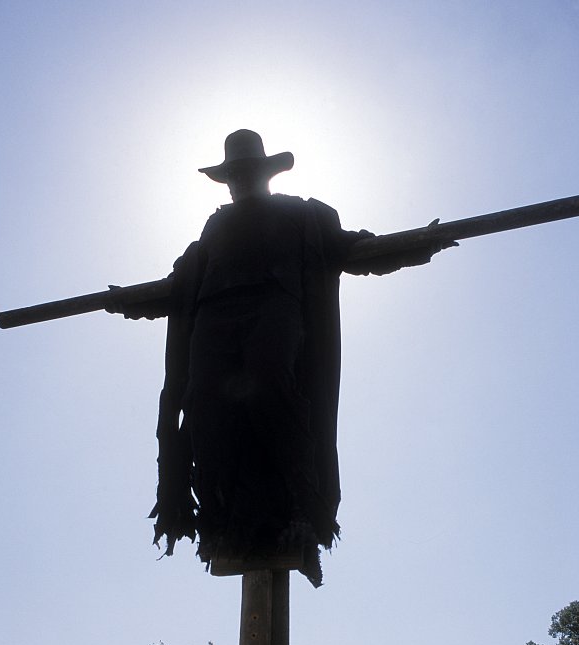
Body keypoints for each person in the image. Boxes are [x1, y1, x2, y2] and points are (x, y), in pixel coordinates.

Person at [113, 130, 444, 585]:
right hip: (214, 316)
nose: (239, 181)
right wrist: (129, 301)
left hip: (274, 306)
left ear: (265, 174)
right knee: (204, 404)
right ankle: (222, 521)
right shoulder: (214, 227)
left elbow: (356, 250)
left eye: (246, 172)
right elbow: (178, 288)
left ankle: (300, 511)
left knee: (271, 386)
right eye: (233, 175)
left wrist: (418, 243)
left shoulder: (300, 214)